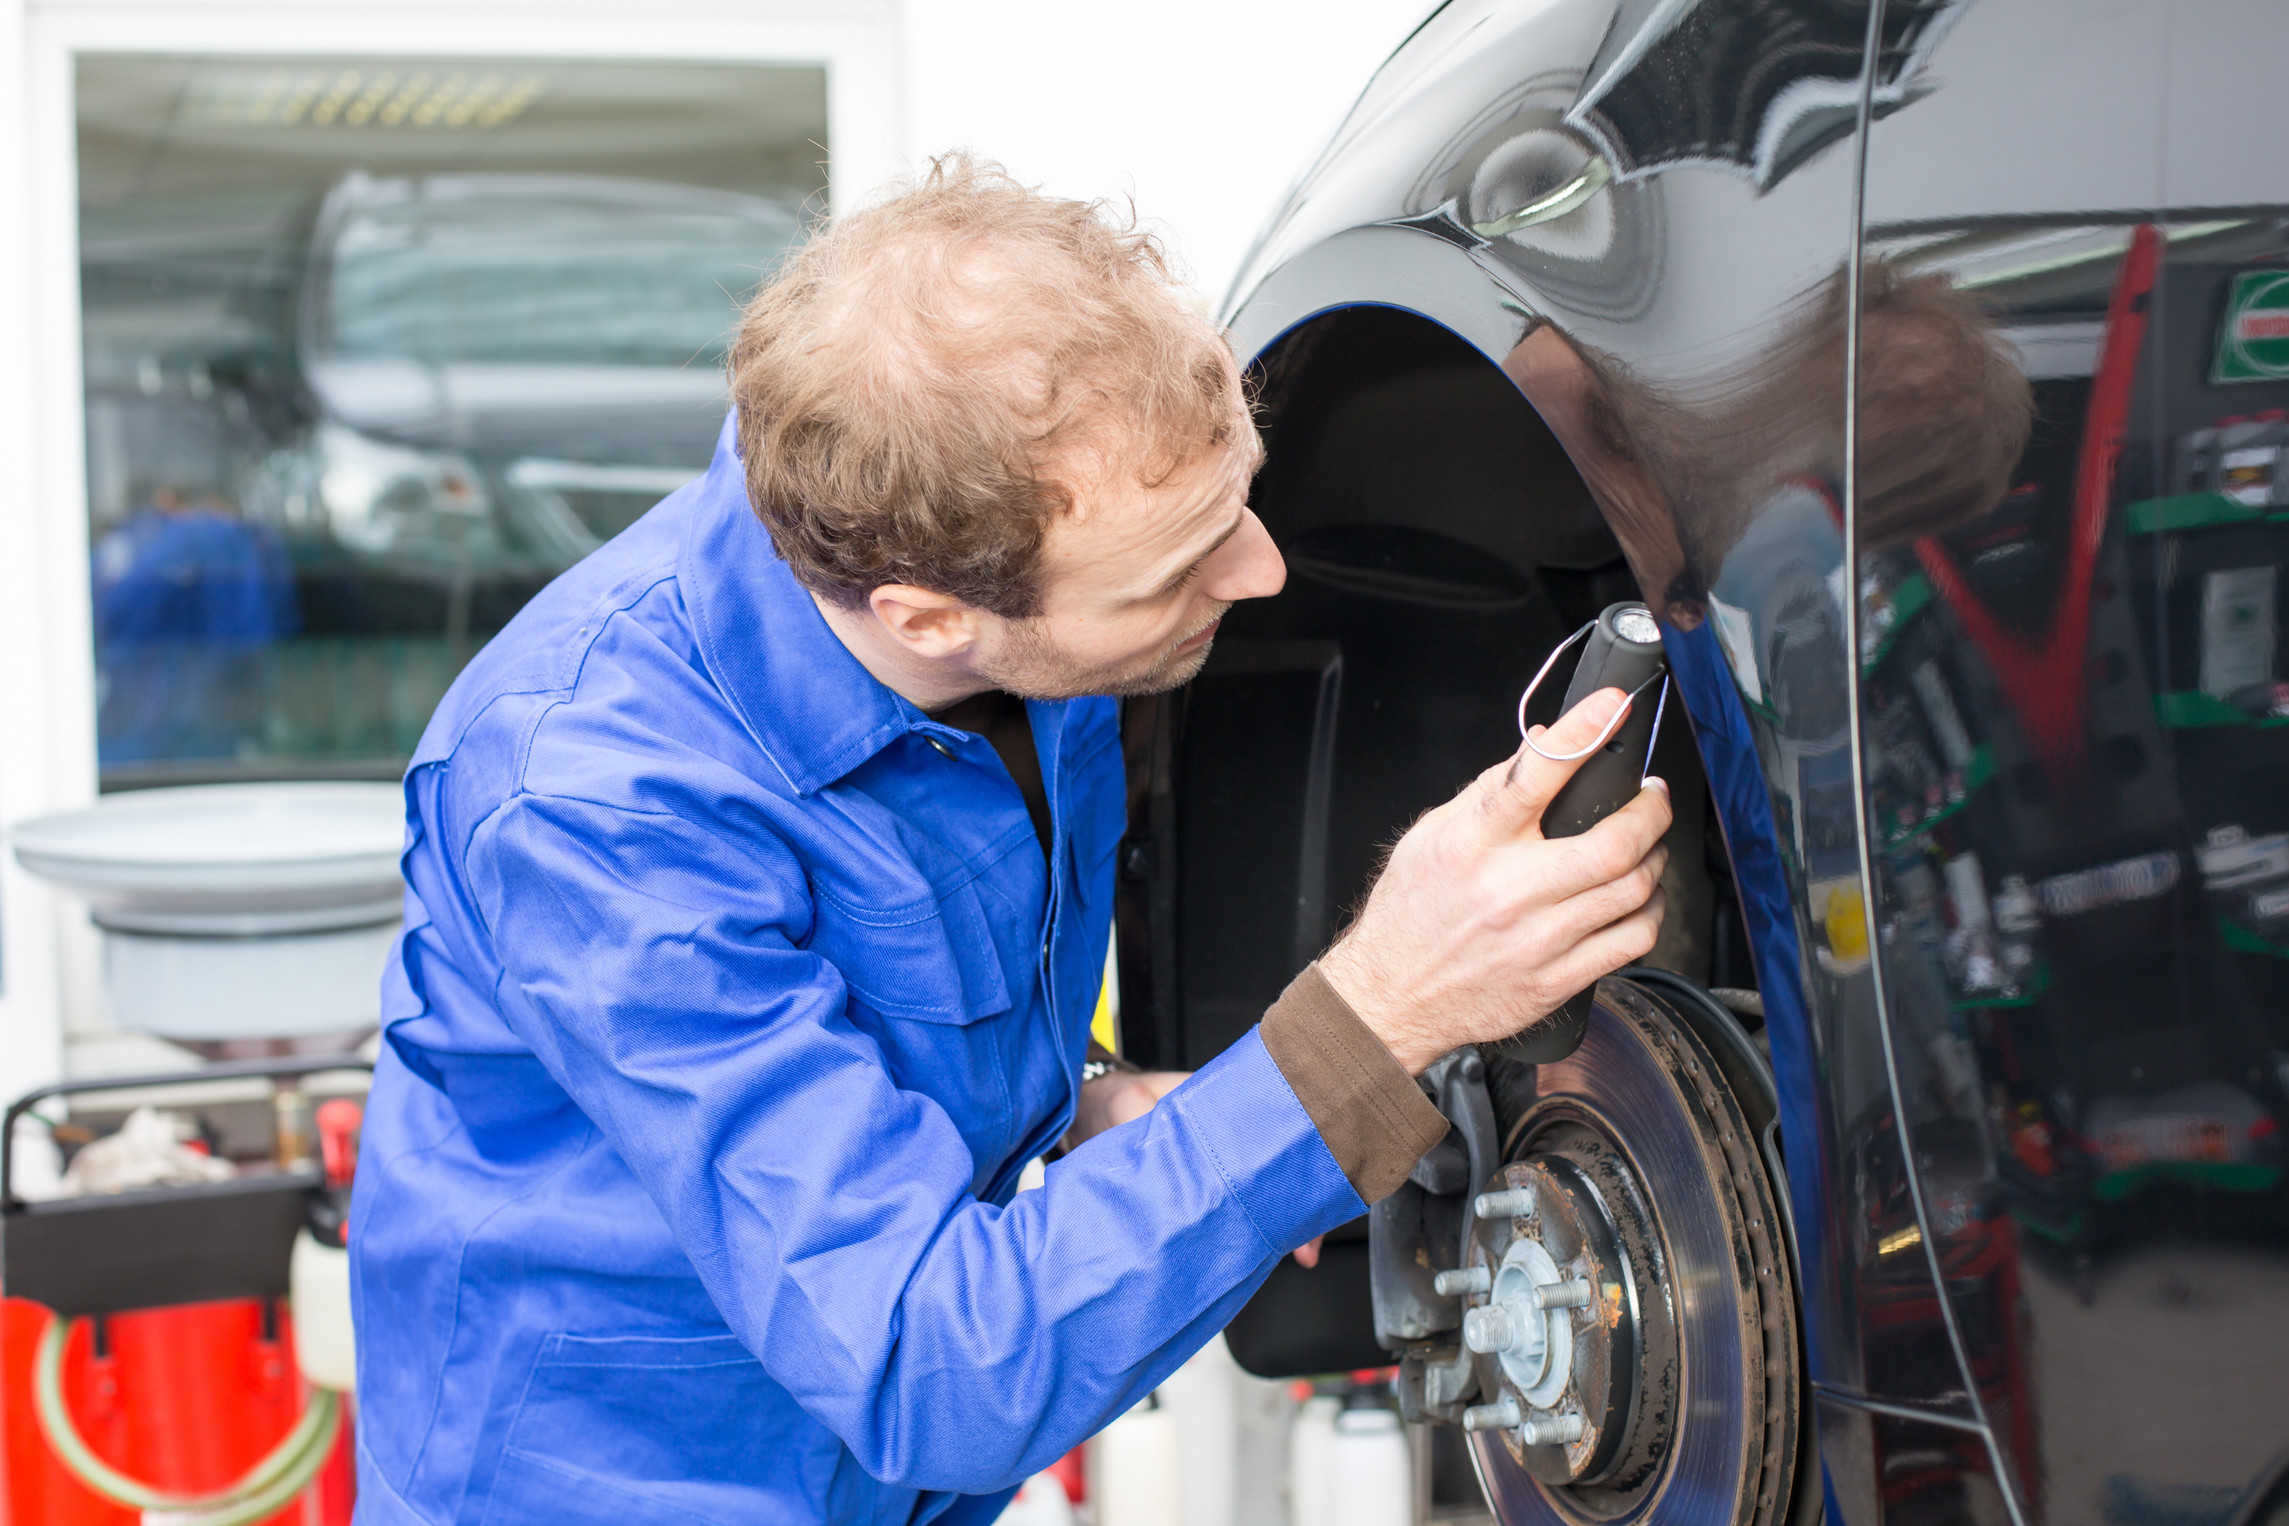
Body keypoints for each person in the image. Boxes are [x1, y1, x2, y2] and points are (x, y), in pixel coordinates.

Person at [351, 156, 1671, 1526]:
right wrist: (1381, 1007)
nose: (1262, 572)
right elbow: (937, 1364)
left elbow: (893, 1001)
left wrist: (1095, 1102)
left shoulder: (1027, 620)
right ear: (929, 617)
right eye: (1179, 568)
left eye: (1239, 500)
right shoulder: (593, 805)